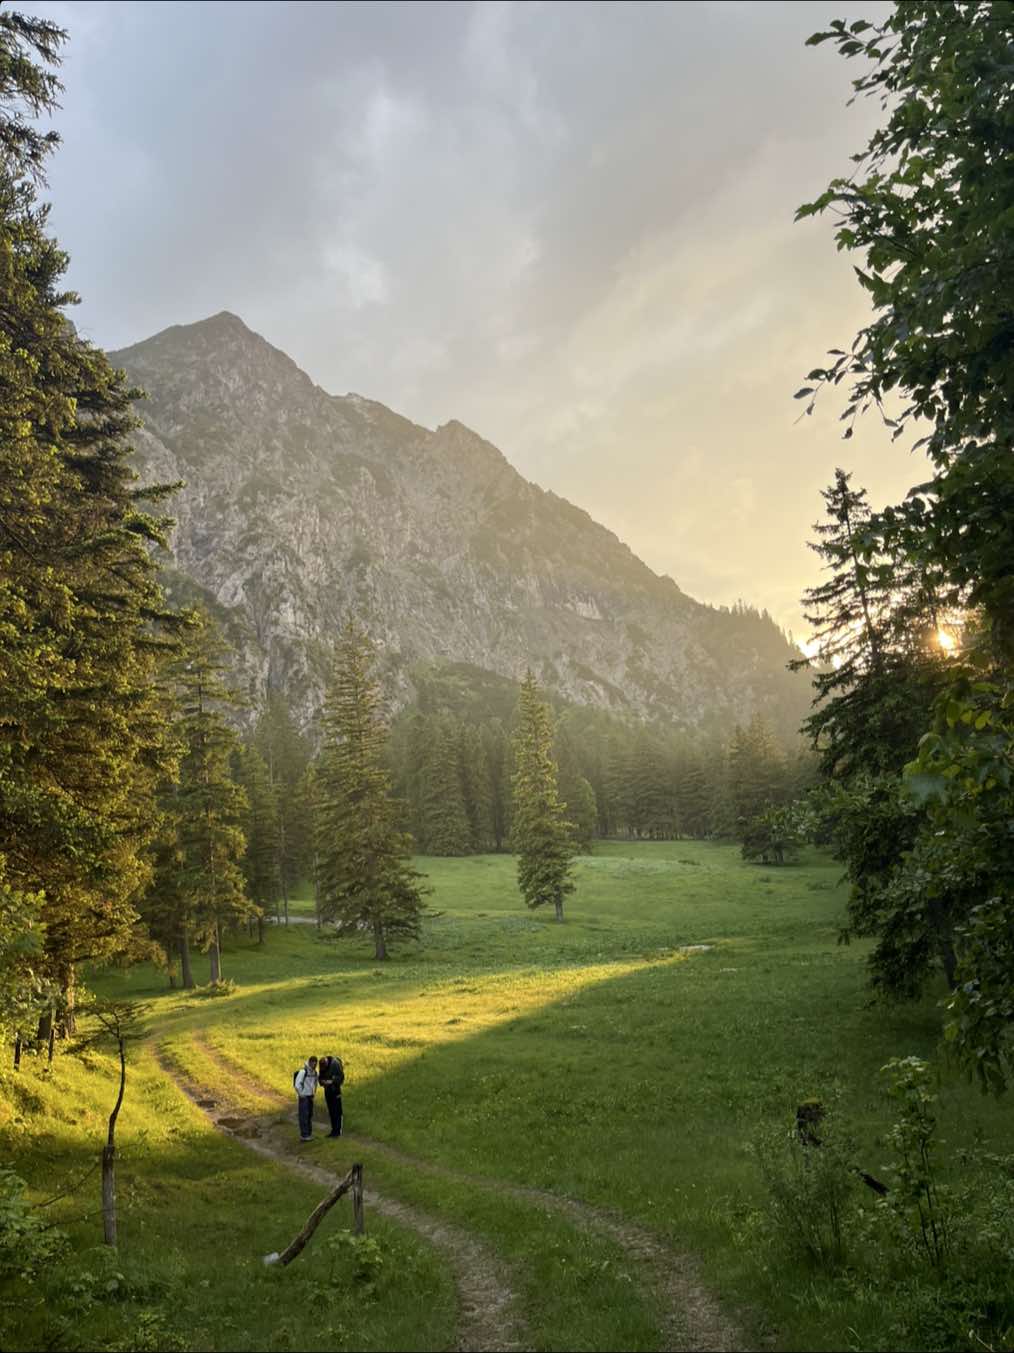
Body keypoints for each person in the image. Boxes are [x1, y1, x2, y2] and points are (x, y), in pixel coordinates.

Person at [318, 1053, 344, 1137]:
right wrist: (323, 1082)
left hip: (335, 1091)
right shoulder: (322, 1065)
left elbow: (341, 1078)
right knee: (331, 1111)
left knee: (337, 1111)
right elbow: (320, 1078)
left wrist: (332, 1081)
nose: (323, 1069)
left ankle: (337, 1131)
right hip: (328, 1091)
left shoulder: (335, 1064)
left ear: (327, 1064)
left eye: (324, 1068)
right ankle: (333, 1130)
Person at [294, 1056, 318, 1141]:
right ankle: (304, 1135)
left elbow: (315, 1083)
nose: (314, 1064)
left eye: (316, 1062)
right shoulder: (303, 1072)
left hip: (310, 1096)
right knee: (303, 1115)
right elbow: (297, 1084)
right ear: (310, 1062)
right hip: (304, 1097)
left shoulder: (315, 1073)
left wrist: (314, 1093)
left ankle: (308, 1134)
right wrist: (300, 1094)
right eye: (313, 1062)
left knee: (309, 1115)